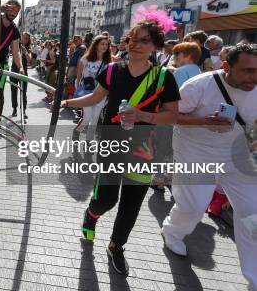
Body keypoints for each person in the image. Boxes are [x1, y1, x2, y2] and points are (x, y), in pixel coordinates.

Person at [61, 16, 180, 276]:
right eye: (133, 39)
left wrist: (143, 116)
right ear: (126, 42)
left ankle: (116, 245)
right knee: (106, 199)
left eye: (144, 41)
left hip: (143, 149)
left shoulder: (163, 78)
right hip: (111, 144)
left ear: (155, 45)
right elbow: (94, 98)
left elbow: (172, 116)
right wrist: (67, 103)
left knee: (131, 203)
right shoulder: (113, 70)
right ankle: (92, 214)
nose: (137, 44)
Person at [162, 44, 257, 289]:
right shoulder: (198, 86)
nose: (253, 78)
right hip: (195, 152)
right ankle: (173, 231)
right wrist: (204, 121)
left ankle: (254, 278)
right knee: (193, 206)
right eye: (247, 71)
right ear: (226, 66)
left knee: (253, 215)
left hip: (238, 156)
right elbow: (169, 116)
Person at [73, 35, 112, 142]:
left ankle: (89, 141)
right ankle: (77, 131)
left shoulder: (108, 61)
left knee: (95, 119)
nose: (105, 46)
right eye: (102, 44)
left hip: (101, 93)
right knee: (87, 118)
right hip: (87, 91)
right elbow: (78, 76)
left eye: (106, 44)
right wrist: (78, 89)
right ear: (96, 45)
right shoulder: (85, 59)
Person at [11, 32, 31, 119]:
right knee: (14, 91)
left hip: (24, 73)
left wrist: (25, 51)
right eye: (24, 37)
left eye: (27, 38)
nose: (25, 39)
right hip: (14, 71)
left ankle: (23, 110)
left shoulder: (28, 49)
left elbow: (29, 60)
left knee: (23, 92)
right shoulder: (16, 45)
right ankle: (14, 108)